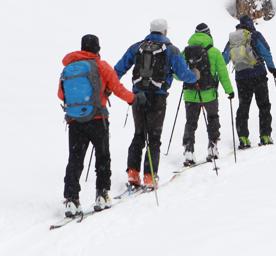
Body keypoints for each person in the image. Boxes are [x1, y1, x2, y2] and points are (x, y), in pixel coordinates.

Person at [58, 34, 143, 217]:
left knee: (75, 160)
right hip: (98, 120)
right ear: (97, 48)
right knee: (102, 158)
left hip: (74, 122)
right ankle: (102, 195)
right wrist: (134, 99)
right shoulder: (101, 66)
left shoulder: (69, 68)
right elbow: (118, 88)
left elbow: (61, 95)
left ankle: (71, 200)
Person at [114, 18, 198, 188]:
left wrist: (114, 87)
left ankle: (133, 173)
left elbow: (118, 69)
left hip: (137, 96)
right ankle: (149, 177)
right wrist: (195, 75)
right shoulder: (172, 50)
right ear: (165, 31)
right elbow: (182, 74)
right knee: (154, 137)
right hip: (158, 97)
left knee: (139, 134)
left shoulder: (136, 47)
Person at [181, 23, 234, 166]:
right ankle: (212, 147)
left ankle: (188, 151)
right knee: (212, 118)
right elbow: (223, 75)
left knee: (191, 121)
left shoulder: (185, 52)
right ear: (209, 34)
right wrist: (229, 91)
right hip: (209, 93)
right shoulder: (215, 52)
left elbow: (177, 74)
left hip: (190, 93)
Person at [222, 15, 276, 148]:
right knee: (263, 105)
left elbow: (224, 58)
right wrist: (271, 67)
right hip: (258, 75)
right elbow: (266, 52)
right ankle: (265, 135)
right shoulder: (255, 35)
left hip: (241, 77)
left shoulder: (234, 39)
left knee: (243, 106)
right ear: (251, 24)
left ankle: (243, 137)